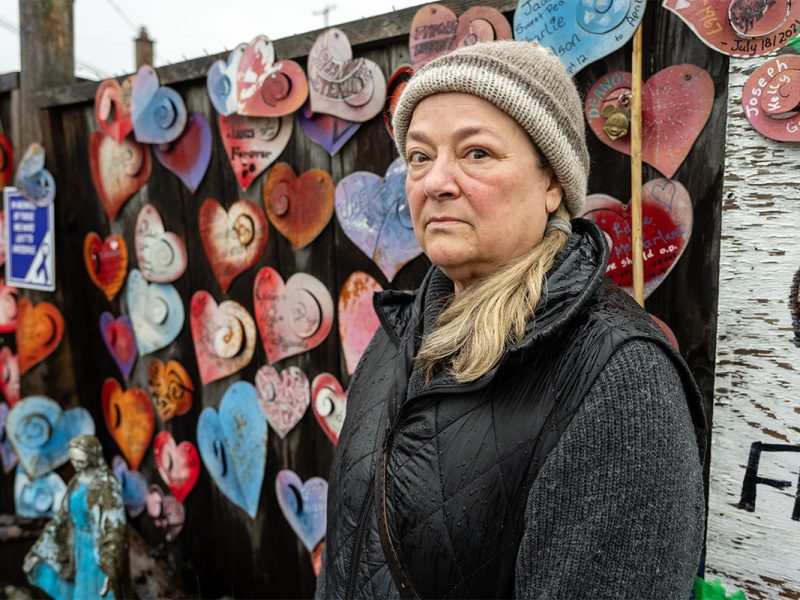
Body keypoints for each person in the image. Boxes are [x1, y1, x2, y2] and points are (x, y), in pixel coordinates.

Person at [317, 40, 706, 599]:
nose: (434, 182)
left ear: (552, 183)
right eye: (420, 156)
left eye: (476, 153)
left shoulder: (618, 380)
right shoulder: (397, 339)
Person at [24, 435, 129, 599]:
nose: (76, 465)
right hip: (77, 546)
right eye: (73, 460)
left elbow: (115, 526)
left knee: (99, 591)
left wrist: (111, 564)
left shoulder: (106, 485)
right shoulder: (76, 481)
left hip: (97, 549)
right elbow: (62, 516)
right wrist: (41, 547)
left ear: (92, 457)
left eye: (80, 461)